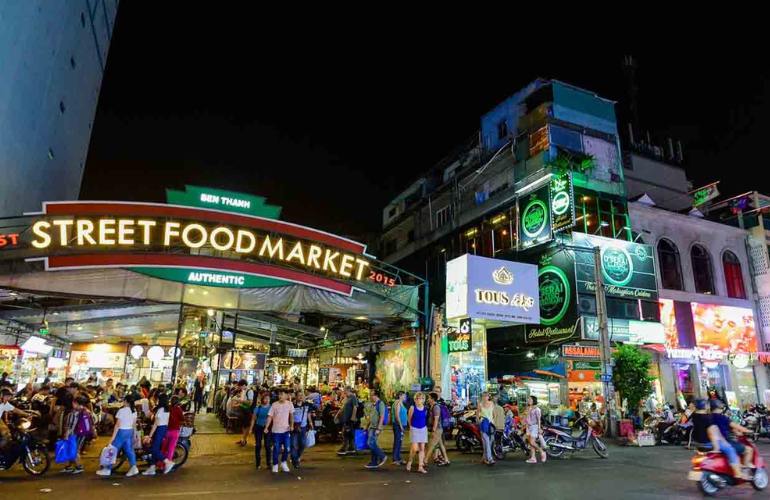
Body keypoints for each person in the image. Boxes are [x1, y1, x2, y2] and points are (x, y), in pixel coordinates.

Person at [708, 400, 753, 478]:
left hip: (711, 442)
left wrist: (736, 431)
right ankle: (744, 472)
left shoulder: (708, 417)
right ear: (720, 407)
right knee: (749, 450)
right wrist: (748, 430)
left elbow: (729, 428)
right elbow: (735, 426)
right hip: (724, 442)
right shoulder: (722, 417)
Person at [97, 394, 139, 477]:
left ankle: (107, 469)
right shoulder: (134, 411)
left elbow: (117, 425)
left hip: (122, 431)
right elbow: (134, 424)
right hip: (129, 431)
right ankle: (134, 467)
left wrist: (112, 438)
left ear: (126, 401)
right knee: (129, 450)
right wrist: (134, 435)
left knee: (112, 449)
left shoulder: (121, 411)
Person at [142, 393, 176, 476]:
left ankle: (167, 462)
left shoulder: (160, 410)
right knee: (155, 448)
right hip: (164, 429)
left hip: (159, 429)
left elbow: (156, 424)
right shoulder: (167, 409)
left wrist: (150, 436)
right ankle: (152, 467)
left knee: (154, 449)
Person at [62, 395, 94, 474]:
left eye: (73, 403)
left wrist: (66, 435)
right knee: (72, 449)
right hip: (83, 434)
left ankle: (79, 467)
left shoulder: (73, 413)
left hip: (74, 434)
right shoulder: (86, 411)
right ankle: (69, 466)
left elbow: (70, 426)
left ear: (75, 403)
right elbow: (93, 421)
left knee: (75, 450)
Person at [265, 388, 293, 473]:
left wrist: (291, 425)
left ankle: (283, 462)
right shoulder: (274, 405)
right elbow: (270, 416)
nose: (280, 396)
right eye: (279, 394)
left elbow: (291, 416)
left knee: (287, 448)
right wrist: (266, 427)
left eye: (282, 394)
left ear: (286, 396)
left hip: (286, 430)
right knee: (276, 449)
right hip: (276, 431)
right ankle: (275, 464)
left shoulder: (290, 404)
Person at [364, 390, 387, 469]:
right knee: (373, 443)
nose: (370, 396)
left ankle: (382, 456)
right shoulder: (373, 404)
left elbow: (382, 416)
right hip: (371, 426)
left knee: (370, 443)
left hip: (375, 427)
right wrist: (367, 426)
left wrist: (379, 428)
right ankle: (374, 462)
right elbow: (371, 417)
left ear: (376, 395)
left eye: (371, 395)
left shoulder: (380, 404)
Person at [425, 392, 449, 466]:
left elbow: (436, 419)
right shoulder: (431, 406)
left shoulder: (436, 407)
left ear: (432, 399)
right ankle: (446, 460)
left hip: (437, 429)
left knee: (431, 445)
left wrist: (433, 430)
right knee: (441, 445)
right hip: (437, 429)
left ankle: (425, 461)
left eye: (429, 398)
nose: (427, 399)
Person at [249, 392, 272, 470]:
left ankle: (268, 463)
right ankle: (258, 463)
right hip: (258, 427)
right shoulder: (258, 408)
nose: (267, 400)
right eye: (265, 399)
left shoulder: (271, 408)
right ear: (262, 399)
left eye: (268, 399)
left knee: (267, 445)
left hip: (268, 428)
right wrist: (251, 428)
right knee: (258, 445)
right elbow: (253, 419)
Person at [407, 391, 428, 473]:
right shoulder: (412, 408)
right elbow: (409, 418)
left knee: (422, 448)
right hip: (414, 429)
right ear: (415, 399)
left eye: (422, 398)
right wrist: (411, 427)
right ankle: (410, 461)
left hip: (423, 429)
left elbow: (424, 417)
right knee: (415, 449)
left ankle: (420, 466)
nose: (420, 400)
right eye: (418, 398)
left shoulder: (425, 408)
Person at [291, 391, 313, 469]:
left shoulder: (307, 405)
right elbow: (290, 416)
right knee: (294, 445)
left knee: (303, 444)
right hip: (294, 427)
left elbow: (308, 414)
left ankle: (296, 457)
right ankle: (295, 461)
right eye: (299, 395)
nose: (301, 397)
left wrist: (310, 422)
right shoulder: (292, 406)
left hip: (303, 427)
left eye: (302, 395)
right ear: (296, 397)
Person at [336, 386, 359, 455]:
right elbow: (342, 406)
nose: (343, 391)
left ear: (348, 390)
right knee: (349, 433)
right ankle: (351, 448)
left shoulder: (353, 397)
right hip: (345, 418)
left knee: (345, 433)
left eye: (344, 390)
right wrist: (337, 414)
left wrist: (353, 417)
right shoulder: (347, 397)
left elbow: (355, 407)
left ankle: (344, 448)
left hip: (349, 418)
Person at [163, 395, 185, 464]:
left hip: (167, 430)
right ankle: (168, 463)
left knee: (164, 447)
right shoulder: (178, 409)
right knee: (171, 448)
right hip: (175, 431)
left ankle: (162, 462)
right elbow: (182, 418)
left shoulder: (168, 408)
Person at [525, 395, 546, 464]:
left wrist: (539, 428)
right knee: (530, 444)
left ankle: (542, 452)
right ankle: (533, 458)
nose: (528, 400)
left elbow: (539, 420)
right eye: (528, 399)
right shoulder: (528, 408)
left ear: (534, 401)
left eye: (530, 399)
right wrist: (526, 427)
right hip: (528, 427)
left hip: (534, 427)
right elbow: (527, 418)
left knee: (532, 442)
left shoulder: (537, 409)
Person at [477, 392, 495, 465]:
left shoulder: (491, 403)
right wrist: (479, 422)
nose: (485, 397)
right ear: (482, 397)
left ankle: (484, 458)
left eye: (486, 396)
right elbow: (477, 415)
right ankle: (490, 459)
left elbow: (493, 414)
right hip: (483, 425)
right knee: (487, 441)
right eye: (483, 396)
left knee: (488, 443)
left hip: (491, 425)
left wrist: (493, 422)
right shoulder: (480, 404)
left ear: (488, 397)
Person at [235, 380, 255, 446]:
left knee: (246, 426)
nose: (239, 388)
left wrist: (241, 401)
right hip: (243, 410)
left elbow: (250, 402)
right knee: (243, 426)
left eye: (240, 386)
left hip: (247, 411)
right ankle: (242, 439)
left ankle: (244, 440)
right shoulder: (244, 391)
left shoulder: (250, 391)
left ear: (244, 385)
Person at [391, 391, 407, 465]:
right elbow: (397, 416)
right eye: (404, 395)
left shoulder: (401, 403)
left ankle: (398, 458)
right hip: (398, 425)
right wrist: (401, 426)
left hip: (401, 425)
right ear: (400, 396)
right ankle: (395, 459)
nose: (405, 397)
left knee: (399, 441)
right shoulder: (397, 403)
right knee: (397, 441)